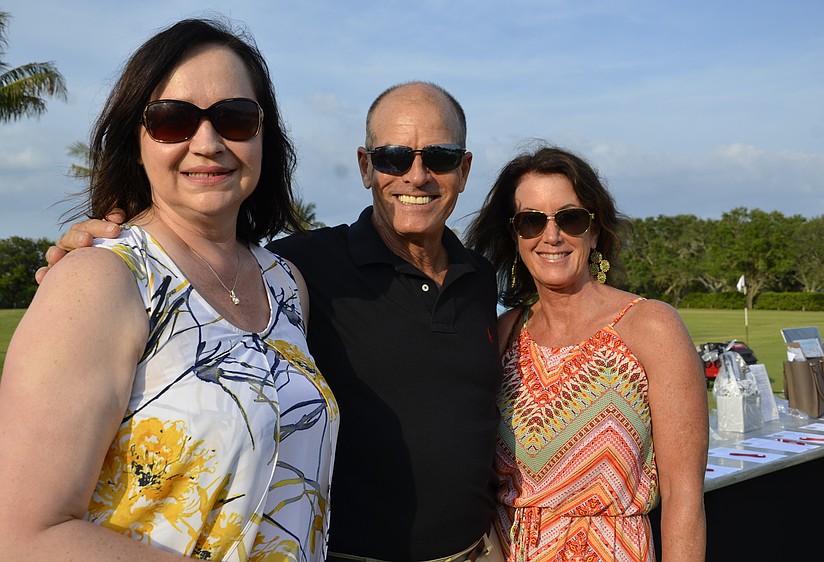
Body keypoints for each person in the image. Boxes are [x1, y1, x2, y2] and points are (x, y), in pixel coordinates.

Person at [35, 81, 504, 562]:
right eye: (393, 158)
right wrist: (95, 257)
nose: (417, 175)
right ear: (366, 166)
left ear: (464, 171)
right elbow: (199, 265)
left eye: (441, 157)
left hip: (477, 550)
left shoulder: (480, 277)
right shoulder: (300, 268)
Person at [0, 18, 338, 561]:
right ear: (136, 143)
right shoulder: (101, 280)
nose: (207, 143)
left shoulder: (285, 283)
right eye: (172, 121)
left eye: (234, 118)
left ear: (262, 136)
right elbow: (22, 535)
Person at [465, 145, 708, 561]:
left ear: (595, 231)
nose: (552, 235)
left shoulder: (651, 327)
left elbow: (684, 497)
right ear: (515, 235)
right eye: (531, 221)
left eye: (570, 218)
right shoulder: (504, 334)